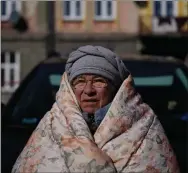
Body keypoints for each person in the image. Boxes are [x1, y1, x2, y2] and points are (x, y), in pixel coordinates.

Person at [12, 45, 179, 173]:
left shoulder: (145, 127)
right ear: (70, 89)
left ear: (116, 89)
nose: (88, 90)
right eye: (80, 81)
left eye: (99, 81)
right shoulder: (49, 126)